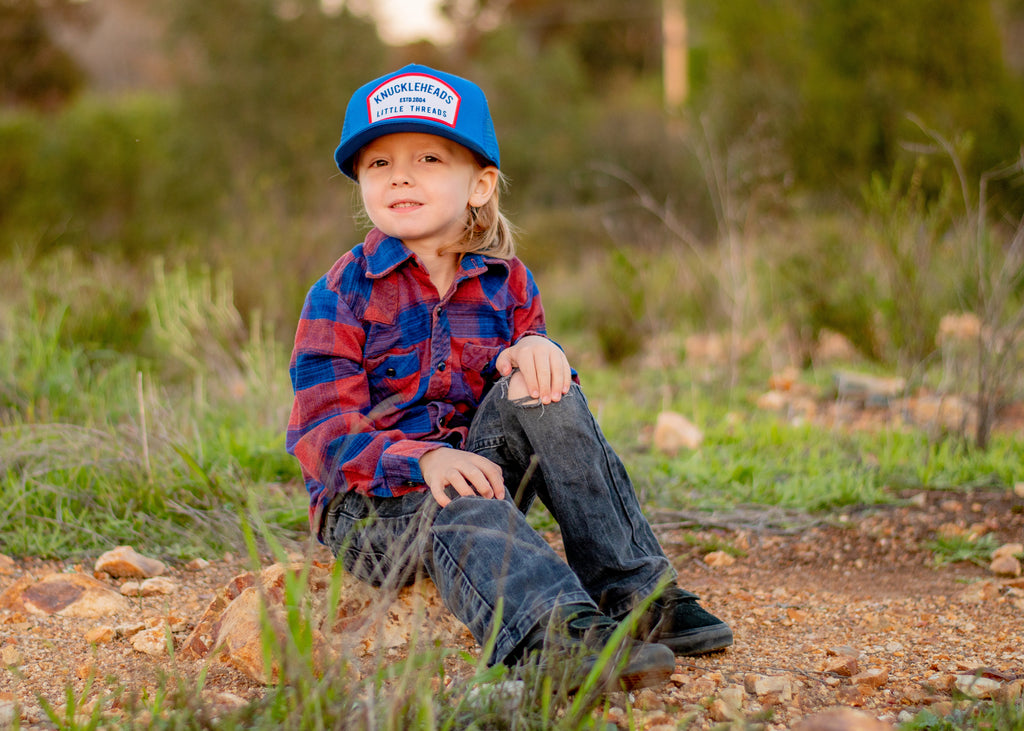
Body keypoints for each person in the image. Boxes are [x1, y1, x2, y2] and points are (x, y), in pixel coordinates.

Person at [286, 64, 732, 692]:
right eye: (378, 163)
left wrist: (535, 349)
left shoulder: (509, 283)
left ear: (480, 184)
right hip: (376, 513)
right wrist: (424, 462)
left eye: (429, 158)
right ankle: (553, 635)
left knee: (542, 386)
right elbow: (324, 438)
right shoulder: (340, 294)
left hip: (480, 477)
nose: (401, 175)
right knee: (458, 497)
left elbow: (533, 406)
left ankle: (633, 592)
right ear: (360, 180)